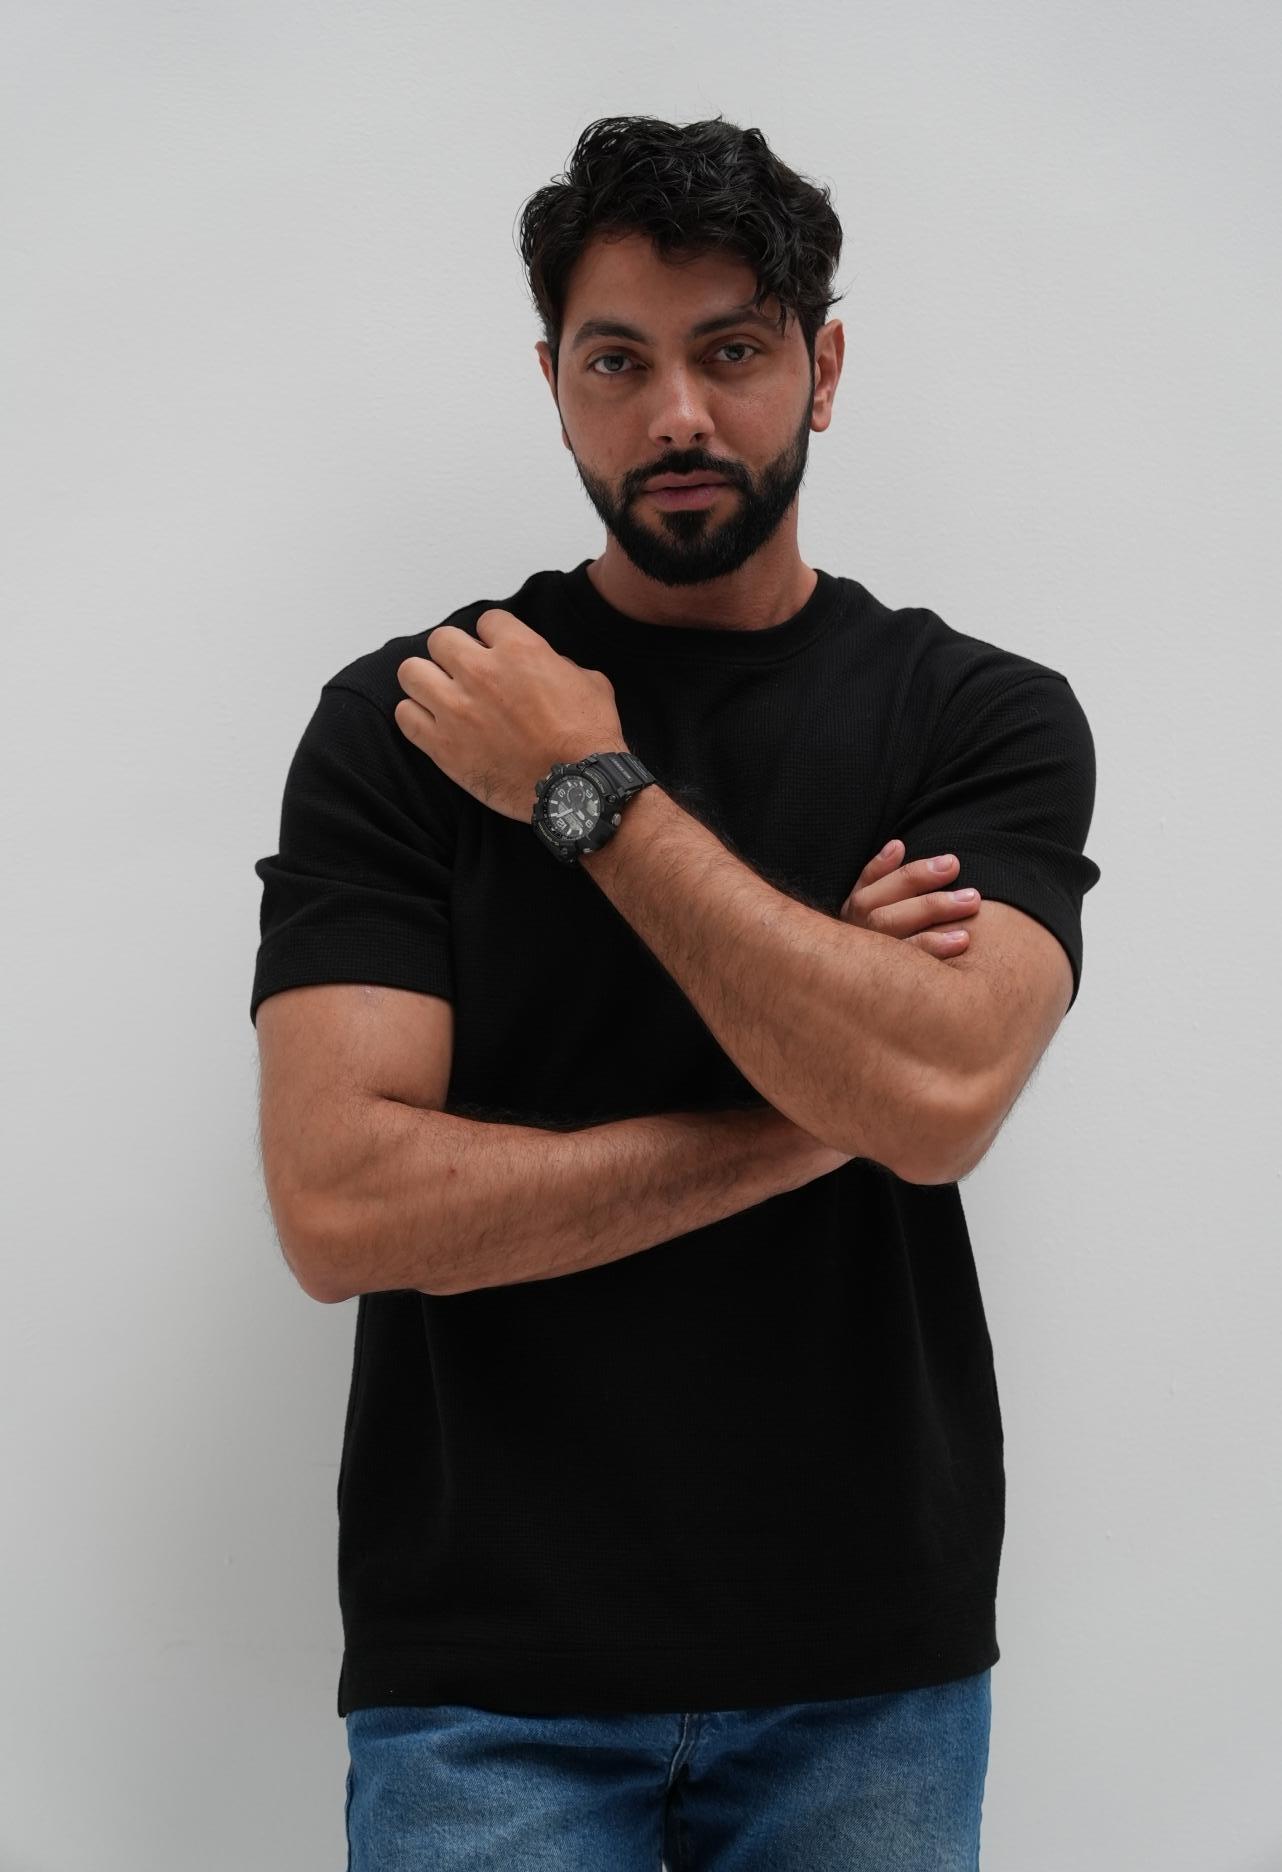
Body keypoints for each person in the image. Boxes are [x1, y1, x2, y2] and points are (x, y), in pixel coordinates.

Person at [250, 114, 1100, 1871]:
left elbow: (939, 1099)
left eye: (731, 352)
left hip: (866, 1664)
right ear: (553, 387)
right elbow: (339, 1207)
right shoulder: (419, 719)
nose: (676, 416)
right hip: (484, 1677)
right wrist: (821, 1107)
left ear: (822, 368)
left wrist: (592, 793)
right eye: (617, 362)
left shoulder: (973, 718)